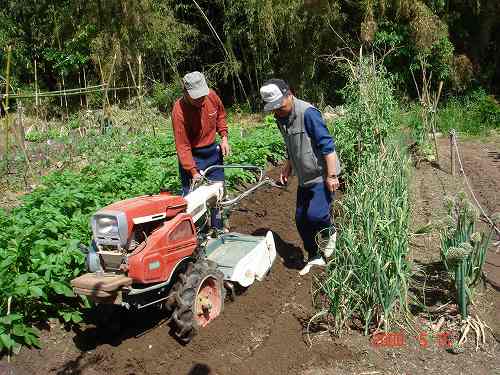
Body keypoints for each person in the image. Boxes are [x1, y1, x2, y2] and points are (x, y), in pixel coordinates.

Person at [260, 79, 340, 275]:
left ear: (289, 94)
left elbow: (328, 146)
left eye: (279, 105)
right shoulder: (281, 118)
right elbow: (291, 146)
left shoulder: (308, 114)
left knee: (316, 215)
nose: (277, 111)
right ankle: (315, 256)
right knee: (301, 220)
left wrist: (332, 176)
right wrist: (288, 166)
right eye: (273, 108)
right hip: (304, 176)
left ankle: (331, 231)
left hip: (321, 174)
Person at [171, 71, 230, 229]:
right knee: (192, 199)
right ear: (185, 93)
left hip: (212, 151)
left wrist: (224, 137)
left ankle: (218, 227)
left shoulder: (211, 96)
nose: (200, 99)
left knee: (218, 191)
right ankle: (196, 233)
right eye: (196, 97)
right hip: (193, 155)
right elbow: (182, 145)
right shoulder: (179, 111)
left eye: (202, 95)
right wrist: (193, 171)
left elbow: (221, 116)